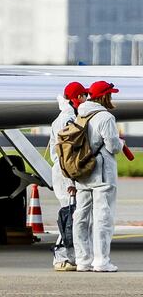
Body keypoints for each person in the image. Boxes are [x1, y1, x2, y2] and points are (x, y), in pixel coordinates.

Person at [72, 81, 125, 272]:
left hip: (82, 172)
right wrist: (119, 141)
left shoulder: (80, 114)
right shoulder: (105, 117)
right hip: (102, 174)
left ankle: (82, 260)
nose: (112, 97)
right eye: (110, 94)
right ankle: (101, 260)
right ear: (105, 96)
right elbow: (113, 146)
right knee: (103, 216)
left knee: (81, 216)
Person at [49, 82, 88, 271]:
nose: (85, 99)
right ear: (76, 98)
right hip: (65, 171)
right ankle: (62, 256)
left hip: (63, 170)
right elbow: (67, 152)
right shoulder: (68, 119)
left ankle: (69, 256)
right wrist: (71, 180)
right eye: (83, 95)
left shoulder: (66, 116)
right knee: (69, 214)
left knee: (71, 212)